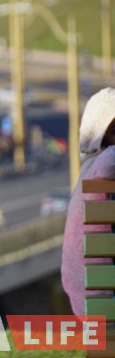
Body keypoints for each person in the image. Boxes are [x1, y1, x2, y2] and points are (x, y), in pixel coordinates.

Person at [61, 87, 115, 316]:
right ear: (101, 133)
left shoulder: (90, 169)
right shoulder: (104, 162)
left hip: (87, 296)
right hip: (103, 301)